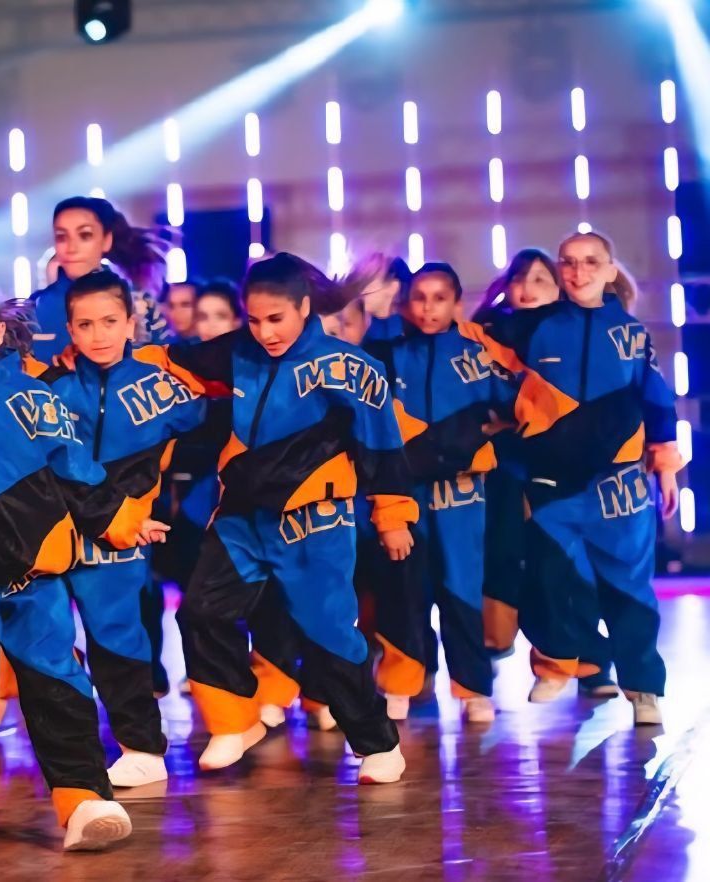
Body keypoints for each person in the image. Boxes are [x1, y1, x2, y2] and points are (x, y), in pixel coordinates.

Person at [136, 253, 414, 782]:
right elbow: (174, 360)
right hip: (241, 520)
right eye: (255, 319)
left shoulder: (352, 369)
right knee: (200, 613)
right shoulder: (237, 352)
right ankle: (236, 720)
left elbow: (382, 445)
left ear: (305, 308)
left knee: (328, 633)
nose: (264, 332)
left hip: (315, 523)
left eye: (276, 319)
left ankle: (378, 744)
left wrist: (393, 515)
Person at [0, 277, 162, 853]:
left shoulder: (36, 398)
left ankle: (83, 800)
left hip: (38, 579)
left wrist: (125, 521)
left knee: (59, 683)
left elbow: (77, 473)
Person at [484, 231, 680, 725]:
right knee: (550, 578)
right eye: (569, 262)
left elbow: (657, 400)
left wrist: (667, 467)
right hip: (554, 481)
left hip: (620, 486)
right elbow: (476, 346)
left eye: (591, 262)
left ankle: (643, 689)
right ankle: (555, 664)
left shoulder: (632, 333)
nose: (579, 271)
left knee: (628, 588)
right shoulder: (533, 328)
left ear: (611, 270)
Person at [39, 268, 204, 788]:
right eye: (84, 324)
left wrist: (163, 508)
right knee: (45, 643)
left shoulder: (167, 386)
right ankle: (65, 752)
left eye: (110, 321)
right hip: (56, 532)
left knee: (119, 639)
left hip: (124, 535)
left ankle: (142, 746)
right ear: (69, 330)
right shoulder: (50, 389)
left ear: (132, 323)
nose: (99, 334)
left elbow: (210, 432)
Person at [364, 262, 515, 724]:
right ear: (406, 303)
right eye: (419, 298)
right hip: (406, 493)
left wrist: (474, 435)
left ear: (456, 303)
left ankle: (473, 689)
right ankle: (401, 684)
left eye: (439, 298)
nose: (428, 308)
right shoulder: (388, 350)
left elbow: (515, 403)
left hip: (463, 495)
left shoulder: (476, 351)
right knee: (404, 589)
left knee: (461, 588)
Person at [29, 196, 169, 362]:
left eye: (85, 235)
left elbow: (165, 366)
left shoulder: (139, 303)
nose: (71, 248)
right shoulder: (33, 310)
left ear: (106, 240)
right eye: (61, 237)